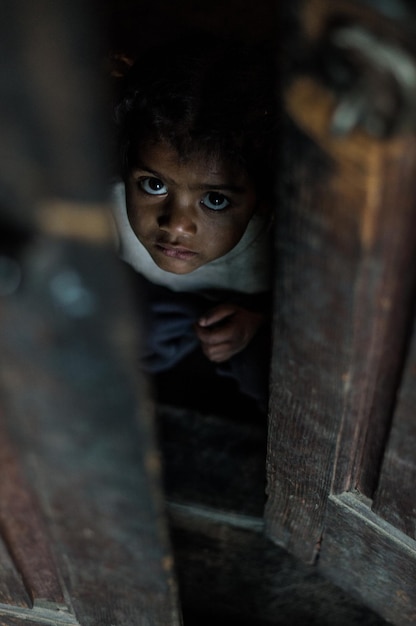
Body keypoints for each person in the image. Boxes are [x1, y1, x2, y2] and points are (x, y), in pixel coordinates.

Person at [110, 35, 277, 412]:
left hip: (245, 315)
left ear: (262, 201)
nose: (178, 225)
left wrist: (256, 323)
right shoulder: (104, 208)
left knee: (271, 369)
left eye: (215, 200)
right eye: (153, 185)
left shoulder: (279, 240)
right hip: (157, 300)